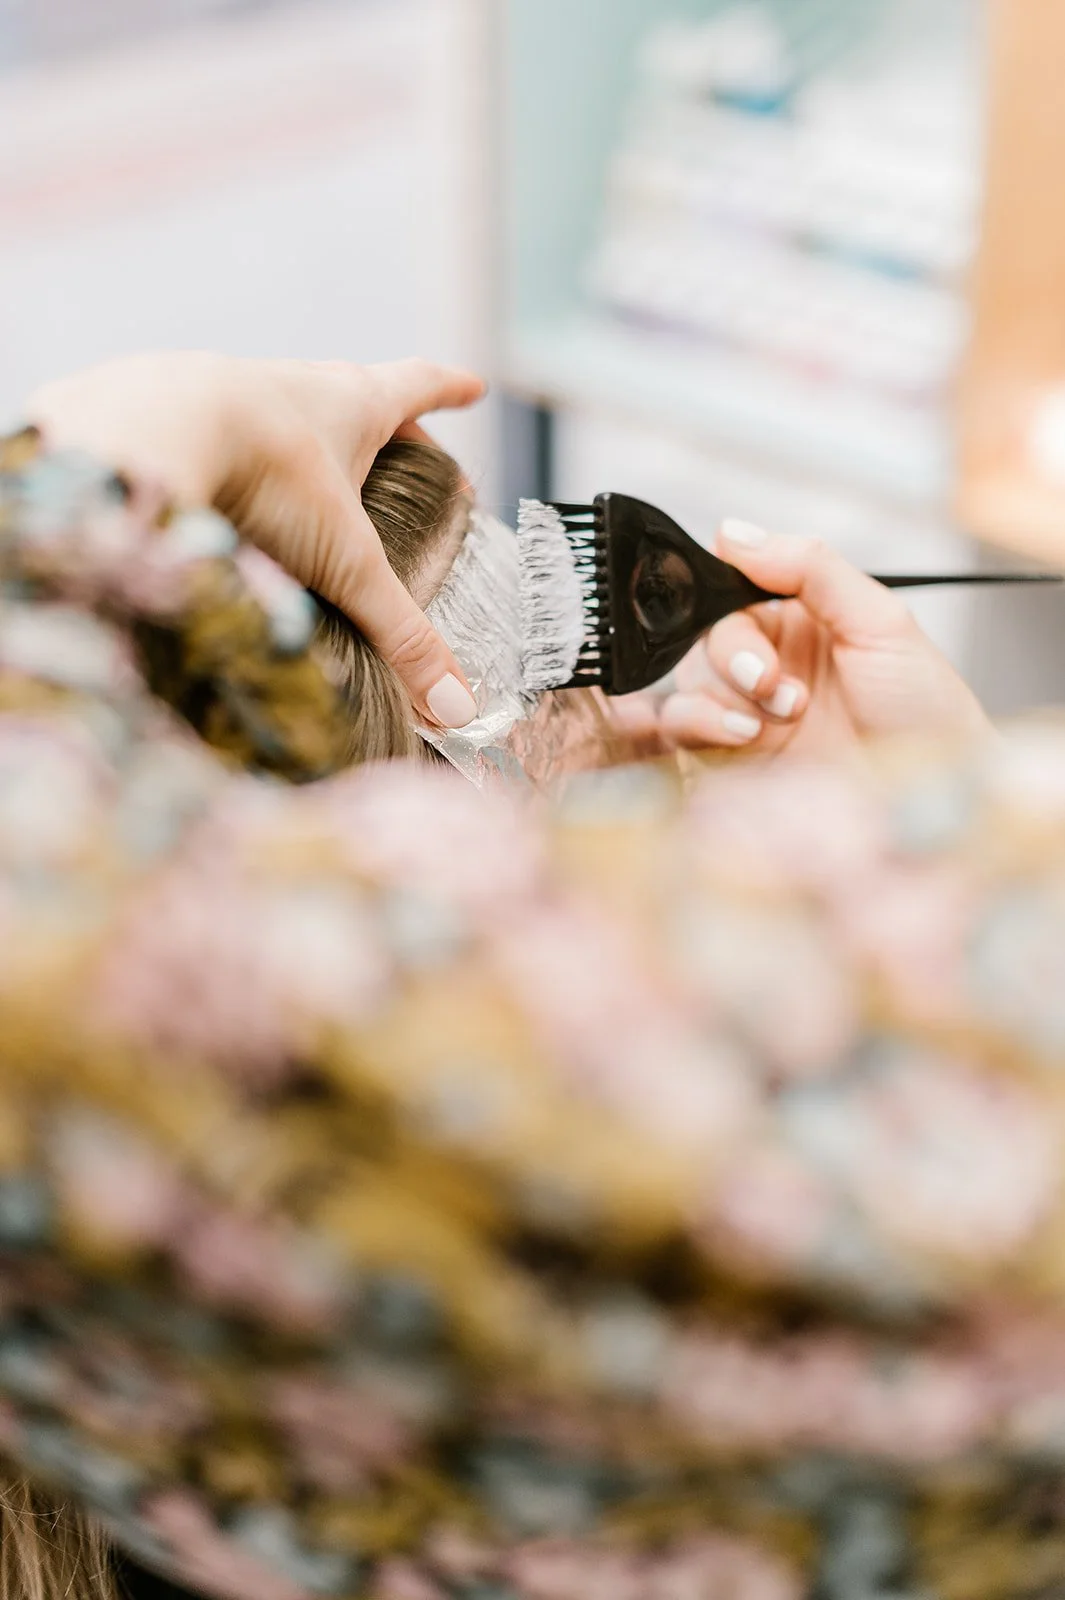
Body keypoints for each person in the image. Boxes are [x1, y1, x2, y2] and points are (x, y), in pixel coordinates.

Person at [0, 353, 1062, 1600]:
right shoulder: (713, 1370)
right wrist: (908, 901)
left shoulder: (111, 1292)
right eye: (530, 684)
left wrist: (122, 429)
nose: (615, 710)